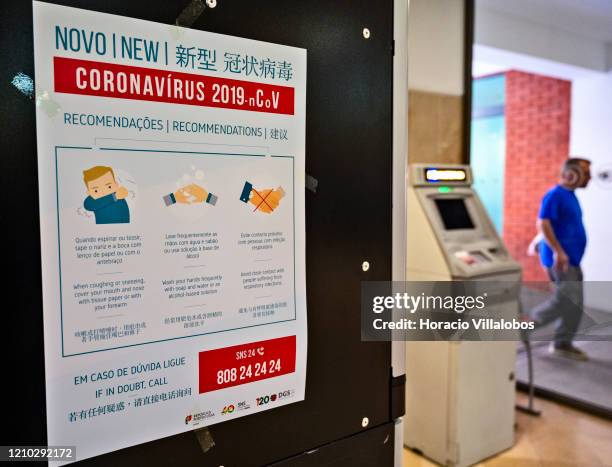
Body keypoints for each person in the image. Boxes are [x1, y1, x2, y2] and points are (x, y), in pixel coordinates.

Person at [531, 157, 591, 360]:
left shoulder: (570, 195)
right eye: (586, 173)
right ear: (571, 174)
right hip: (561, 260)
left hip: (572, 259)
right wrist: (559, 251)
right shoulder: (555, 195)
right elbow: (543, 224)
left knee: (575, 303)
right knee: (564, 301)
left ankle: (562, 344)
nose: (589, 178)